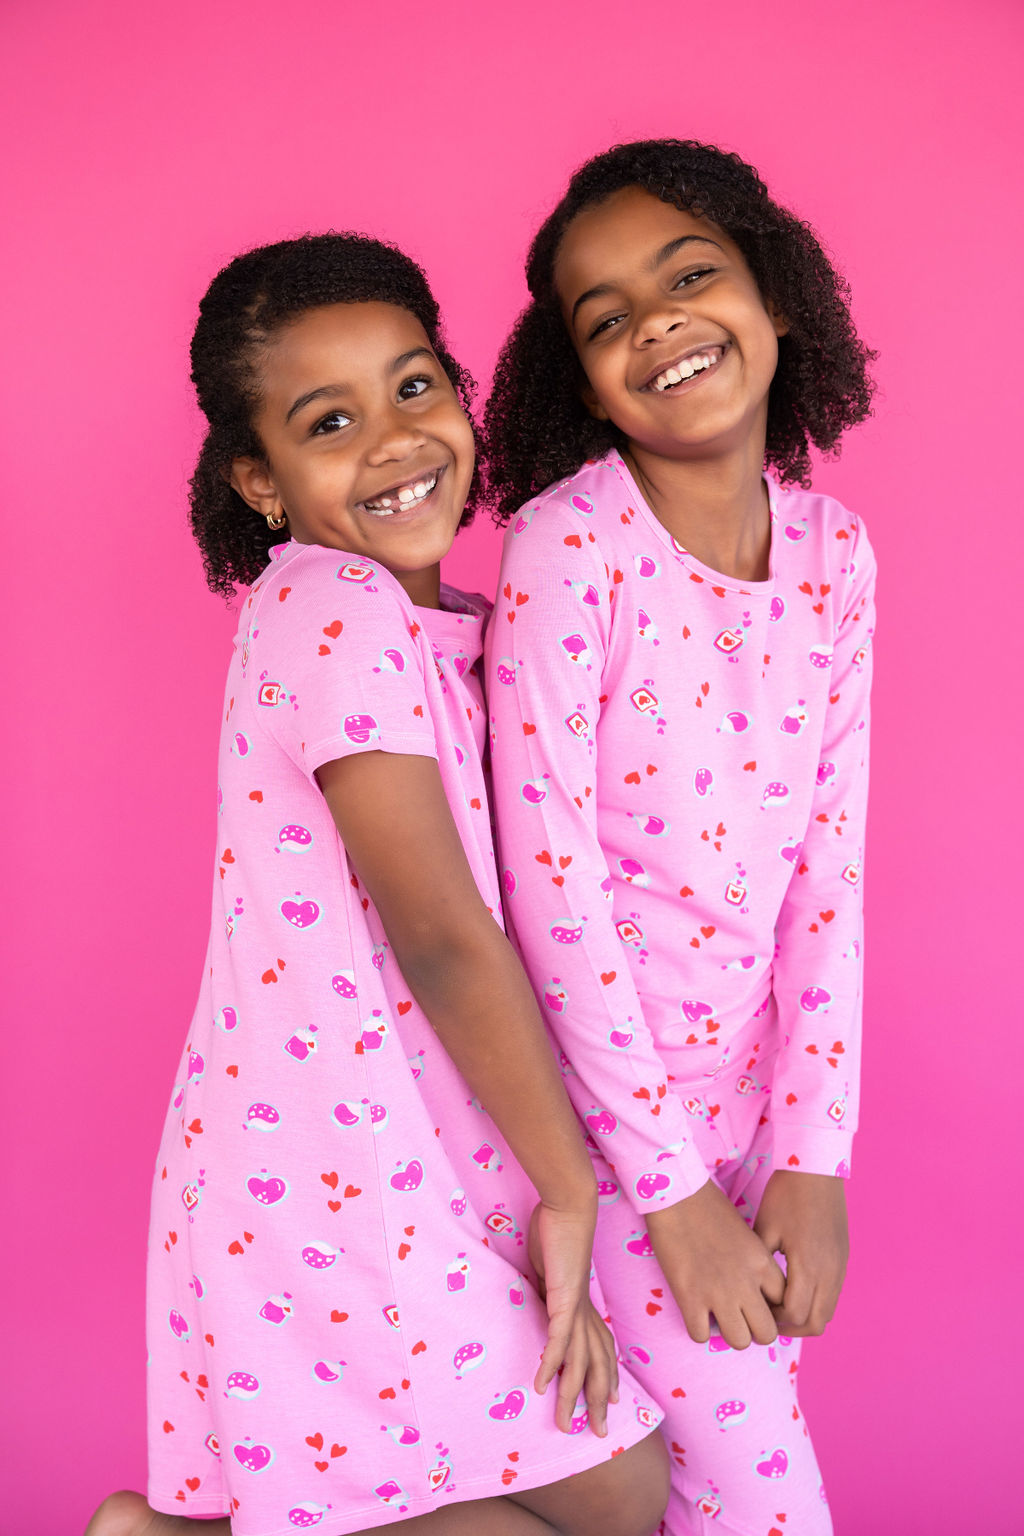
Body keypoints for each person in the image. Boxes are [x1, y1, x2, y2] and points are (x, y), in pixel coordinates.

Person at [86, 233, 669, 1536]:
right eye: (329, 422)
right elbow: (442, 936)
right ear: (261, 480)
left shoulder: (434, 621)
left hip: (410, 1148)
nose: (396, 440)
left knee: (575, 1491)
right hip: (332, 1168)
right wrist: (570, 1188)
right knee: (617, 1495)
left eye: (414, 387)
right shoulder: (335, 610)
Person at [483, 140, 876, 1536]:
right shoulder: (567, 550)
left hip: (750, 1114)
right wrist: (665, 1192)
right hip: (591, 1136)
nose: (656, 322)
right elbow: (549, 893)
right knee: (765, 1505)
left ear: (777, 296)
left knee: (686, 1497)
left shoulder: (835, 554)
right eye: (606, 318)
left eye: (690, 275)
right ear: (584, 384)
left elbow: (829, 871)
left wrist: (813, 1156)